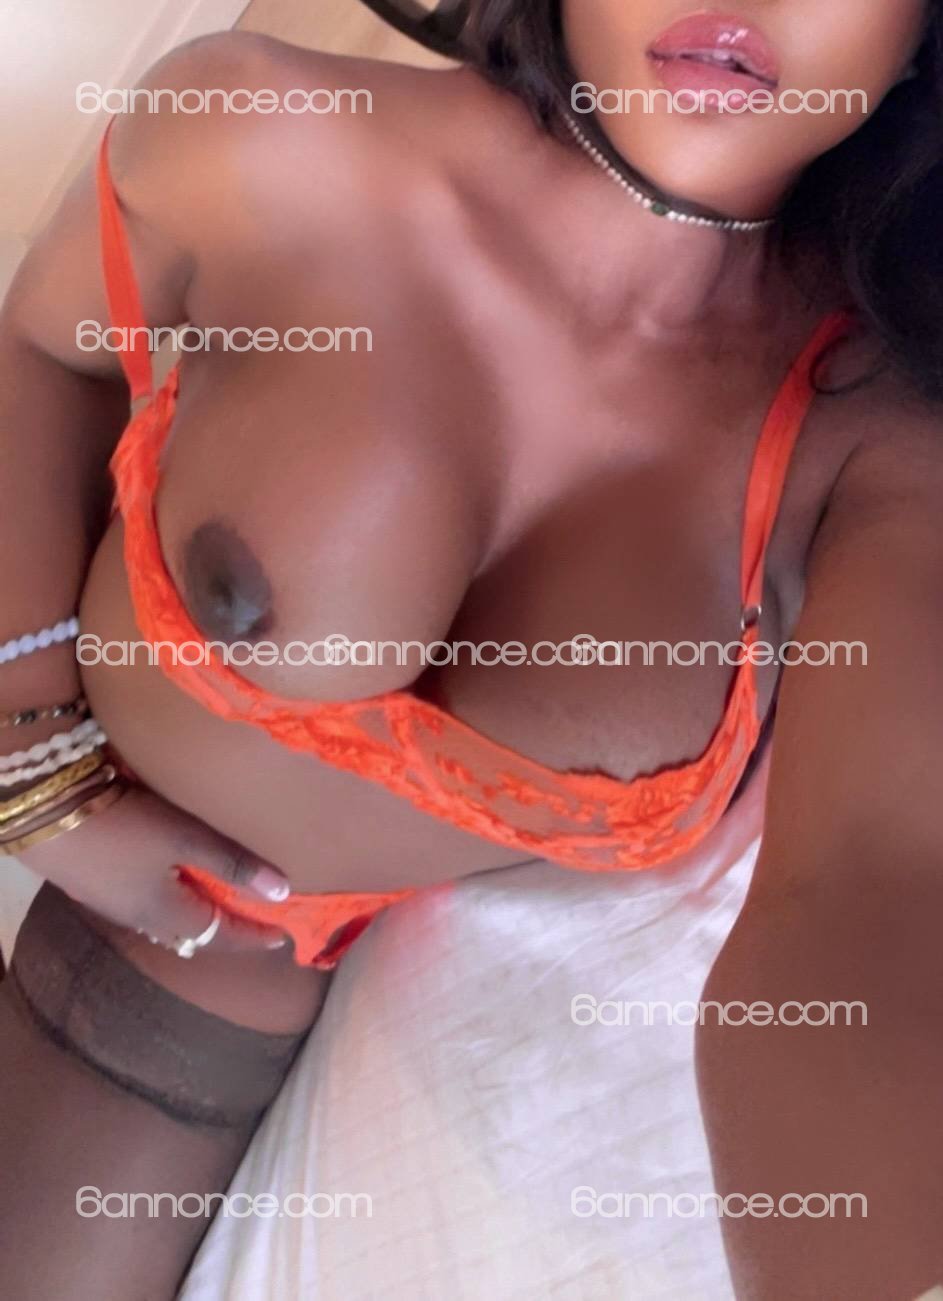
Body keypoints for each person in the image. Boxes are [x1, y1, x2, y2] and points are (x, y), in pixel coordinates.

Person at [1, 1, 942, 1294]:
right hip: (130, 945)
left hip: (251, 998)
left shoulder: (878, 441)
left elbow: (867, 892)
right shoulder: (260, 131)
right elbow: (42, 351)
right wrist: (30, 765)